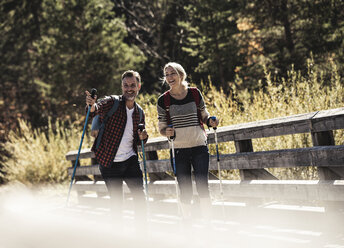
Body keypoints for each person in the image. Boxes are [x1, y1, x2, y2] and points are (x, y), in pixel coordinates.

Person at [156, 62, 219, 221]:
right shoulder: (163, 100)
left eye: (173, 73)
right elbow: (162, 127)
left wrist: (210, 121)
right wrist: (166, 132)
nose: (170, 77)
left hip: (199, 146)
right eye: (167, 74)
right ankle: (187, 222)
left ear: (181, 75)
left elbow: (204, 115)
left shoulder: (195, 93)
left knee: (203, 185)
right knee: (185, 190)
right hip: (178, 150)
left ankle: (208, 221)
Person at [85, 70, 148, 225]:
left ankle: (142, 235)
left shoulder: (139, 112)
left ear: (138, 86)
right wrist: (91, 105)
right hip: (109, 162)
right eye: (126, 85)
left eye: (133, 85)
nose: (129, 89)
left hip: (130, 161)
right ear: (122, 86)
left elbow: (140, 140)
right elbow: (95, 110)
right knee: (117, 203)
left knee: (140, 198)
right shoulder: (112, 102)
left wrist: (144, 137)